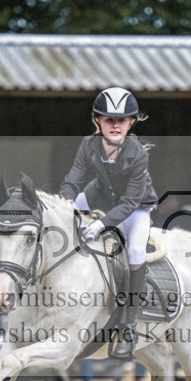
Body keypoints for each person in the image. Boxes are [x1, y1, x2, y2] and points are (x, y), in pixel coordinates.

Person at [59, 87, 157, 359]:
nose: (115, 125)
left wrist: (102, 225)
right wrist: (64, 204)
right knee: (65, 212)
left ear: (131, 123)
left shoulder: (137, 153)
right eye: (109, 119)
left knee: (136, 252)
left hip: (136, 207)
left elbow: (128, 202)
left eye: (121, 120)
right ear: (97, 122)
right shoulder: (88, 144)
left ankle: (128, 328)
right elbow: (72, 180)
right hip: (98, 196)